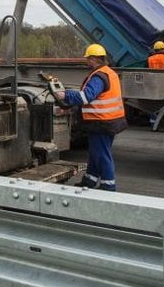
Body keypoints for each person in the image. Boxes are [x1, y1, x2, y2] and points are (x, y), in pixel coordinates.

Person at [53, 43, 127, 191]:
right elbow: (94, 100)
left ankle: (108, 187)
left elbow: (87, 96)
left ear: (94, 59)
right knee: (95, 153)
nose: (87, 62)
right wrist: (69, 110)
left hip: (101, 122)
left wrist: (65, 94)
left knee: (101, 155)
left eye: (88, 59)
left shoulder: (98, 77)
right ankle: (89, 181)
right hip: (109, 120)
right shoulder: (109, 72)